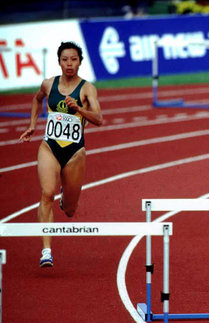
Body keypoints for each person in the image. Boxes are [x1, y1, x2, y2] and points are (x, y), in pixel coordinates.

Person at [19, 42, 103, 267]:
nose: (69, 64)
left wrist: (79, 109)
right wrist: (33, 124)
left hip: (75, 152)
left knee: (70, 210)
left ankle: (67, 196)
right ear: (59, 61)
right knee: (47, 194)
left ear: (80, 62)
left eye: (74, 59)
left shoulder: (87, 89)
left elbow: (99, 119)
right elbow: (37, 99)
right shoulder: (48, 84)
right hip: (49, 147)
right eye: (65, 59)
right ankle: (46, 250)